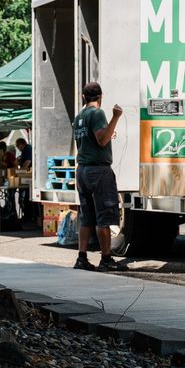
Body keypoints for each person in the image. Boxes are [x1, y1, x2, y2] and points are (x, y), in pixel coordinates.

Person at [72, 82, 126, 271]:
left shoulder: (79, 116)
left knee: (86, 217)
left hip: (82, 171)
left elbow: (92, 139)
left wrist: (109, 131)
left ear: (83, 97)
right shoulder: (97, 113)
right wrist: (116, 118)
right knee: (104, 216)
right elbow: (102, 140)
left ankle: (82, 258)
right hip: (98, 171)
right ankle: (106, 259)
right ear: (100, 97)